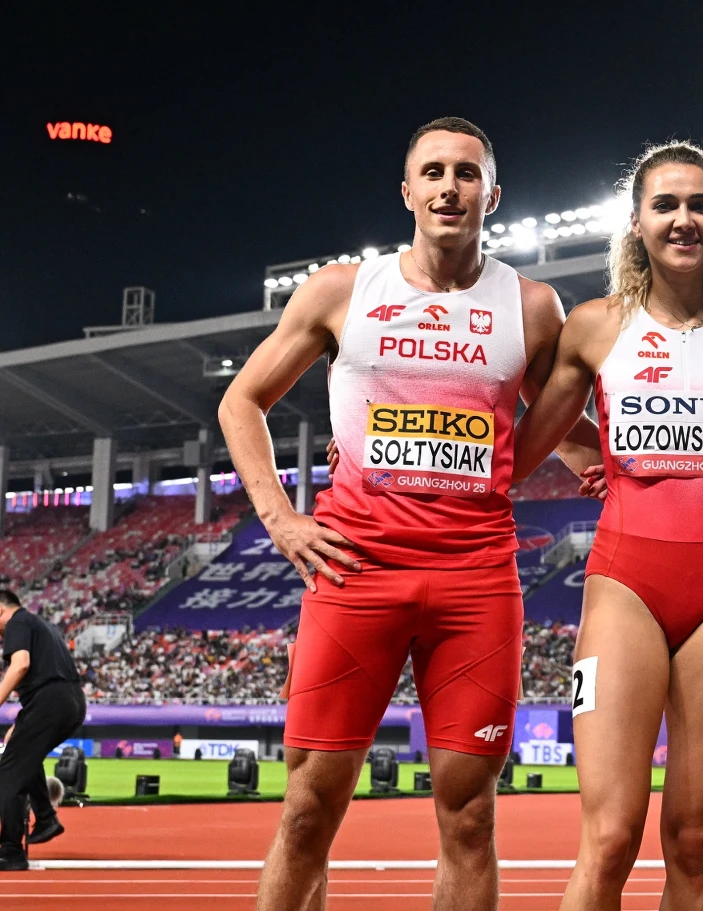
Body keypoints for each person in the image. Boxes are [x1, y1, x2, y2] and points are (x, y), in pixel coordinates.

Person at [219, 116, 600, 910]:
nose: (449, 187)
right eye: (433, 172)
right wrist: (281, 519)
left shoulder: (531, 307)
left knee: (468, 817)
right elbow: (240, 401)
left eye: (466, 173)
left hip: (475, 582)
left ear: (493, 194)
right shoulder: (342, 290)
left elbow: (562, 430)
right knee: (306, 812)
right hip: (355, 572)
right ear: (407, 191)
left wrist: (656, 468)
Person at [508, 140, 703, 911]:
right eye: (666, 204)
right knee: (612, 834)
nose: (683, 219)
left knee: (694, 840)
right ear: (635, 223)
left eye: (699, 204)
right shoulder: (595, 327)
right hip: (625, 580)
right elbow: (521, 449)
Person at [0, 590, 85, 870]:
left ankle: (10, 852)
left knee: (8, 775)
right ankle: (46, 816)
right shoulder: (42, 624)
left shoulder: (17, 623)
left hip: (49, 703)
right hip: (70, 701)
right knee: (24, 756)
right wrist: (22, 722)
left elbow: (21, 665)